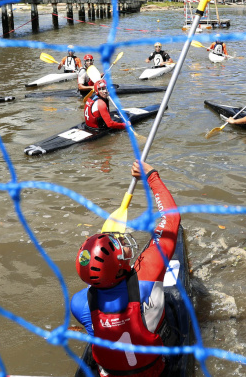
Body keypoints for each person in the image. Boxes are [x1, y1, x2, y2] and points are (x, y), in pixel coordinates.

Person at [71, 159, 180, 377]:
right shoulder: (148, 270)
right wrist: (151, 175)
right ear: (120, 269)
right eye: (120, 248)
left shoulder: (79, 302)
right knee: (167, 300)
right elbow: (171, 218)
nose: (123, 245)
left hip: (110, 373)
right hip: (154, 369)